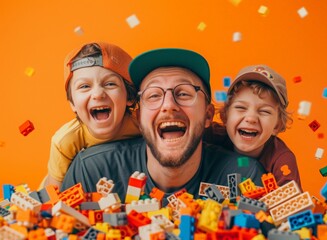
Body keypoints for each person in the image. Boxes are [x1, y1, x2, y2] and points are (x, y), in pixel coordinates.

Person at [61, 48, 266, 206]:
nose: (168, 105)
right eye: (154, 95)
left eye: (184, 93)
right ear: (140, 118)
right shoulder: (90, 170)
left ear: (208, 115)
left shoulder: (243, 176)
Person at [44, 42, 141, 188]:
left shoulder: (142, 124)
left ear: (130, 97)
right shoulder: (65, 141)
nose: (97, 94)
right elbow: (53, 193)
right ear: (72, 103)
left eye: (110, 84)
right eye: (84, 86)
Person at [204, 65, 302, 190]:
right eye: (241, 108)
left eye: (264, 111)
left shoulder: (282, 159)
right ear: (225, 117)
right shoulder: (212, 135)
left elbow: (292, 203)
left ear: (277, 125)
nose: (251, 118)